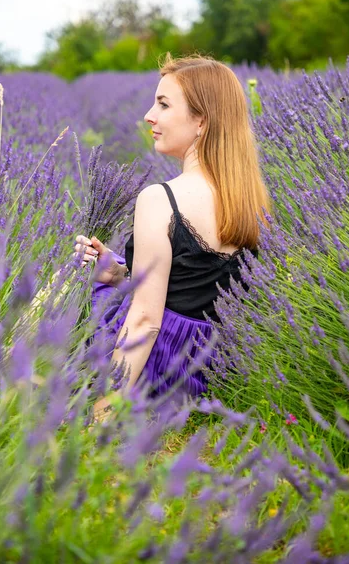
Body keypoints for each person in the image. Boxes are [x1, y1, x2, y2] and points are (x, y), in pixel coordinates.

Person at [74, 54, 271, 422]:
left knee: (64, 284)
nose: (150, 115)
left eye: (163, 104)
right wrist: (118, 275)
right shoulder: (251, 201)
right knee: (102, 282)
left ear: (201, 121)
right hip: (206, 369)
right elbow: (194, 285)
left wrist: (103, 415)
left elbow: (147, 320)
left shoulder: (161, 198)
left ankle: (5, 380)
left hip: (157, 366)